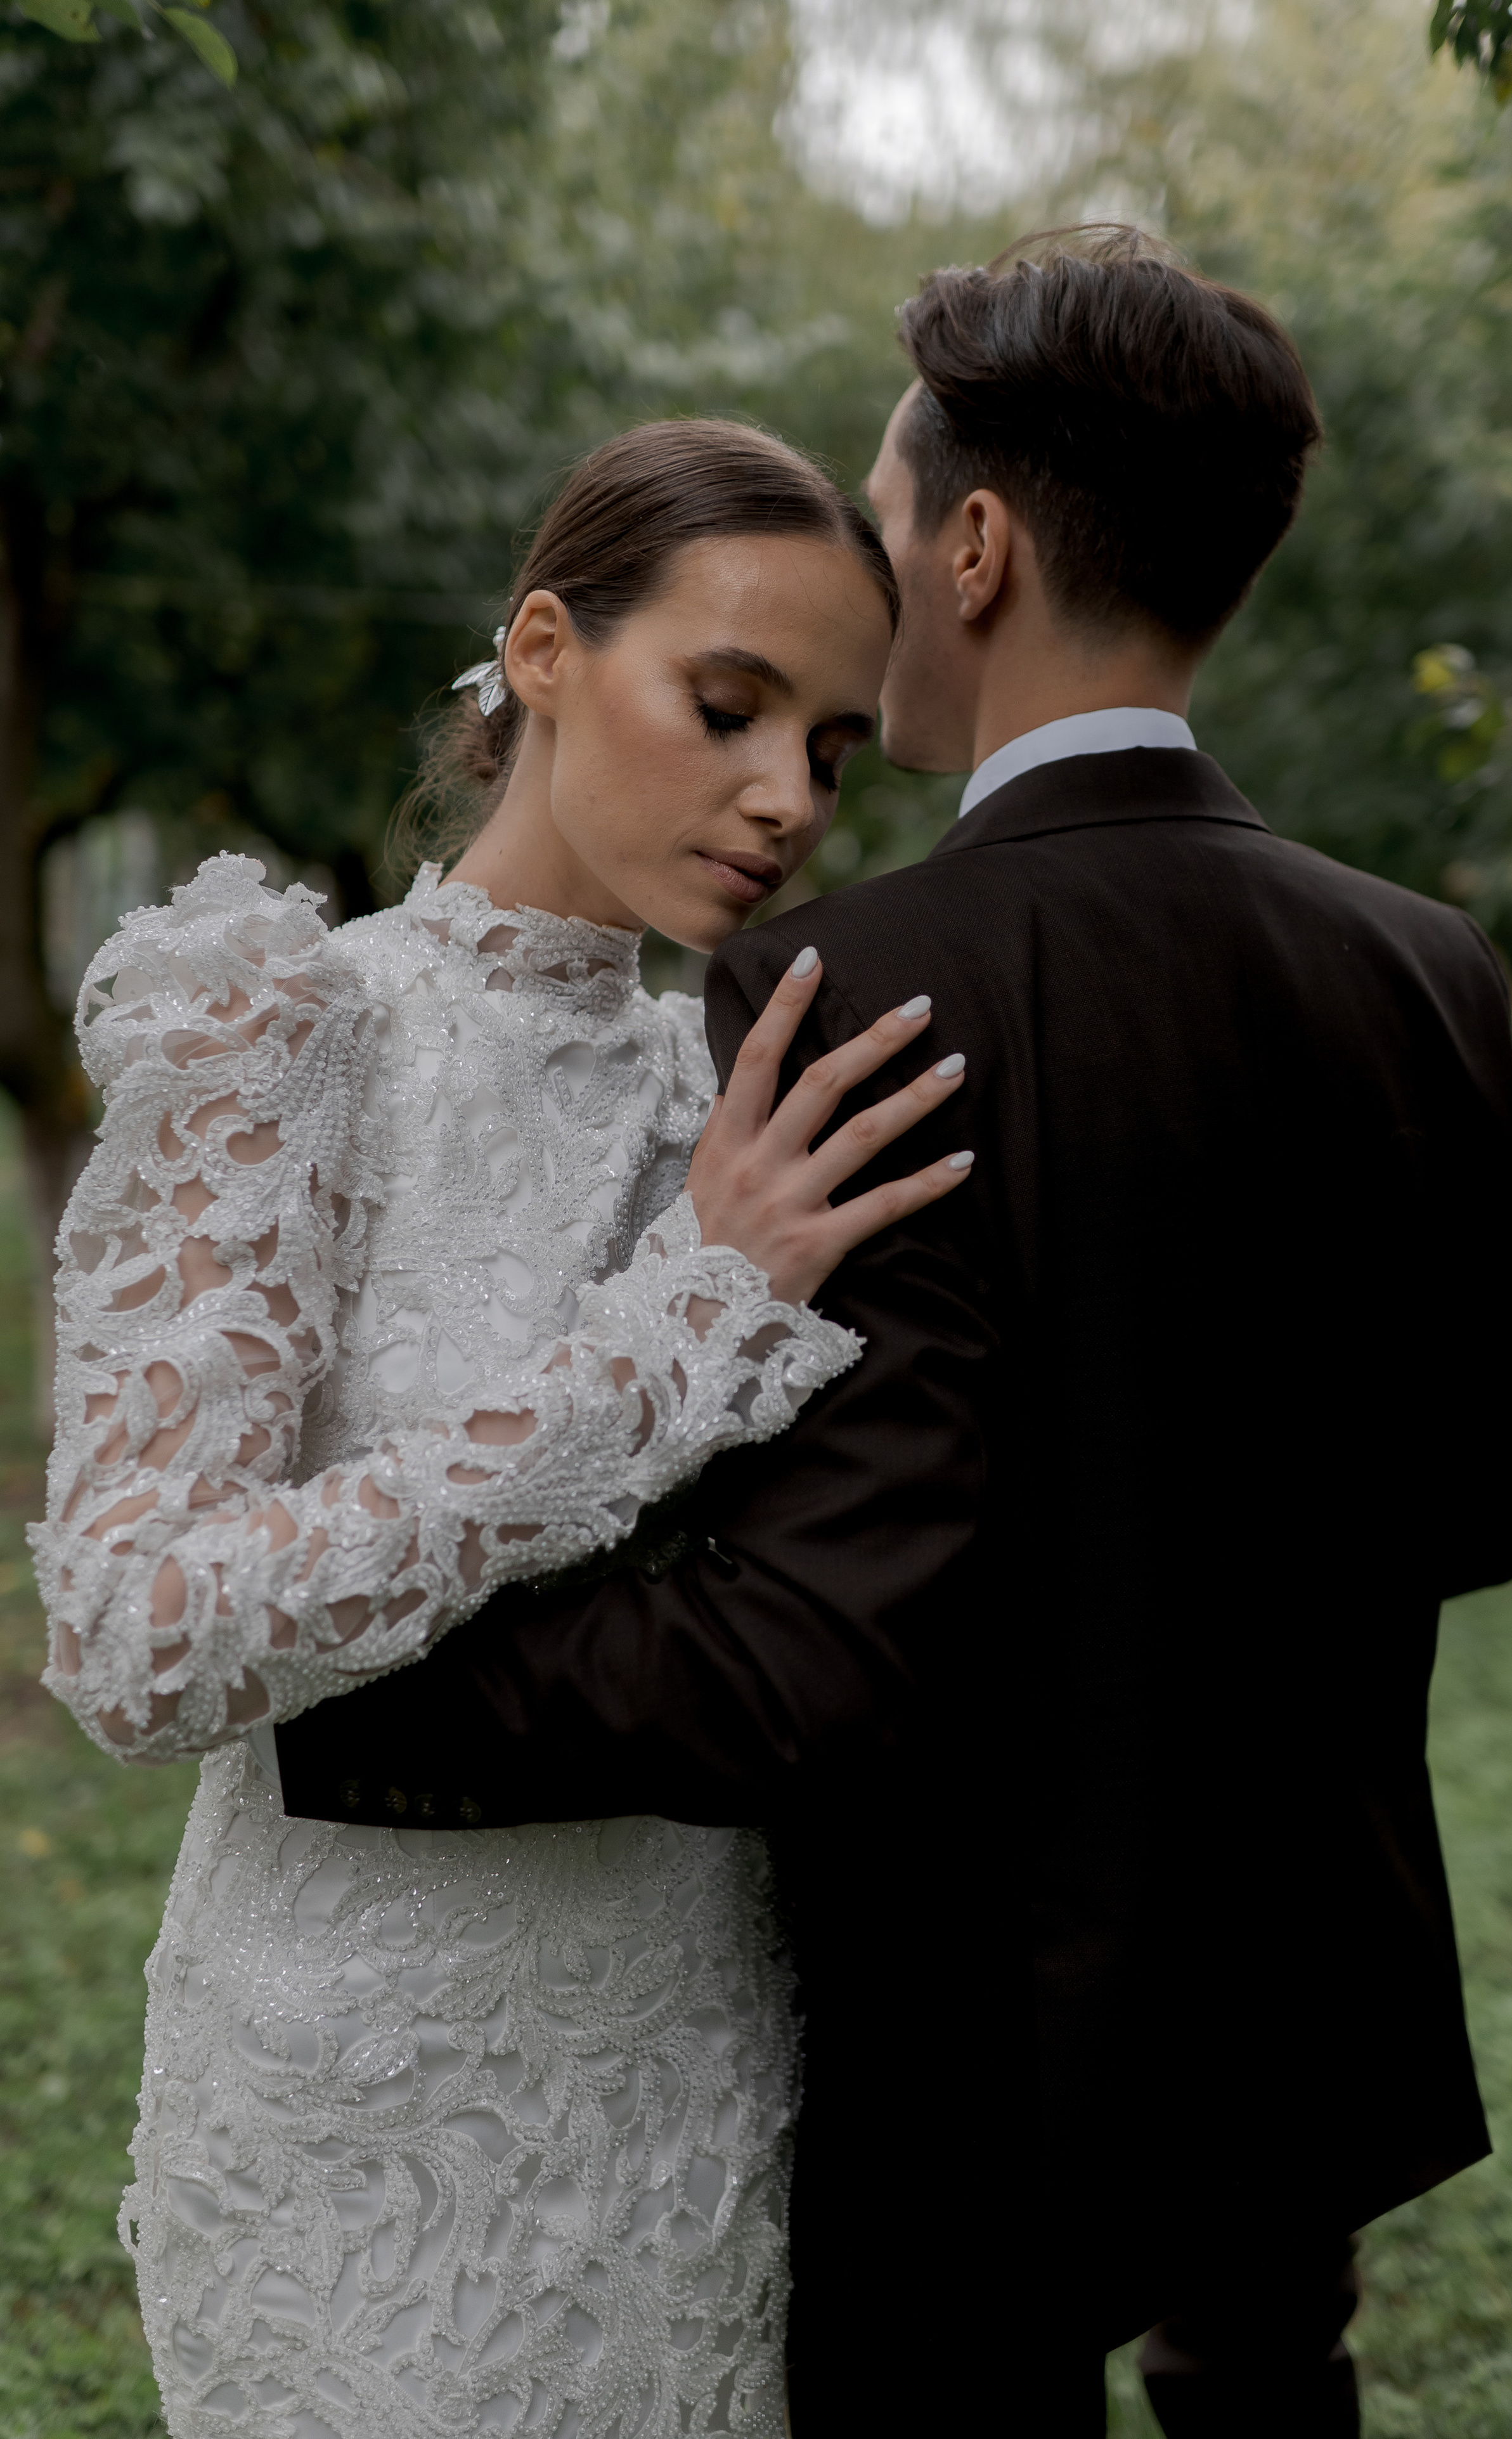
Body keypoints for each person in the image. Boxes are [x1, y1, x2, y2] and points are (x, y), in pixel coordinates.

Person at [283, 227, 1512, 2436]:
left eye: (886, 526)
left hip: (977, 2023)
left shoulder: (863, 985)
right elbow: (1493, 1495)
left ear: (974, 550)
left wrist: (358, 1705)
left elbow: (819, 1643)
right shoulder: (1425, 964)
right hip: (1307, 1963)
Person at [32, 419, 976, 2439]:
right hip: (352, 2114)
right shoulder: (286, 1030)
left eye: (830, 750)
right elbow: (133, 1640)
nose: (784, 797)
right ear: (544, 650)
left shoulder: (741, 1103)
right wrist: (665, 1343)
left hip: (693, 2082)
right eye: (727, 705)